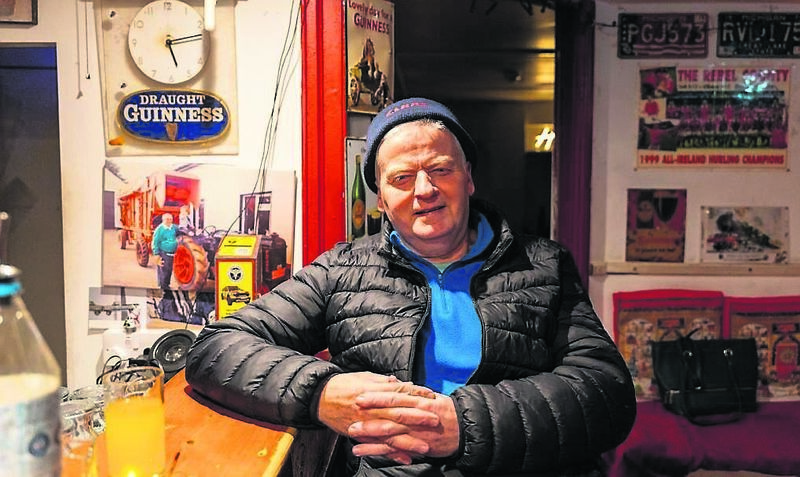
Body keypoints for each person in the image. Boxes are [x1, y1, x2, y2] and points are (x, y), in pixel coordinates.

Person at [185, 97, 636, 476]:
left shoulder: (544, 265)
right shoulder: (343, 269)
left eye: (440, 169)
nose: (424, 189)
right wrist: (322, 393)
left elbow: (606, 392)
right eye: (402, 178)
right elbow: (215, 347)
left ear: (469, 178)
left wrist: (463, 423)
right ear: (381, 199)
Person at [151, 212, 178, 289]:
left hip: (172, 253)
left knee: (169, 270)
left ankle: (167, 285)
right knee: (163, 270)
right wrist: (156, 254)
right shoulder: (159, 229)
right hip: (163, 253)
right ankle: (162, 287)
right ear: (163, 220)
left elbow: (181, 229)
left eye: (170, 219)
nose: (169, 221)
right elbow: (155, 242)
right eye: (167, 219)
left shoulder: (173, 227)